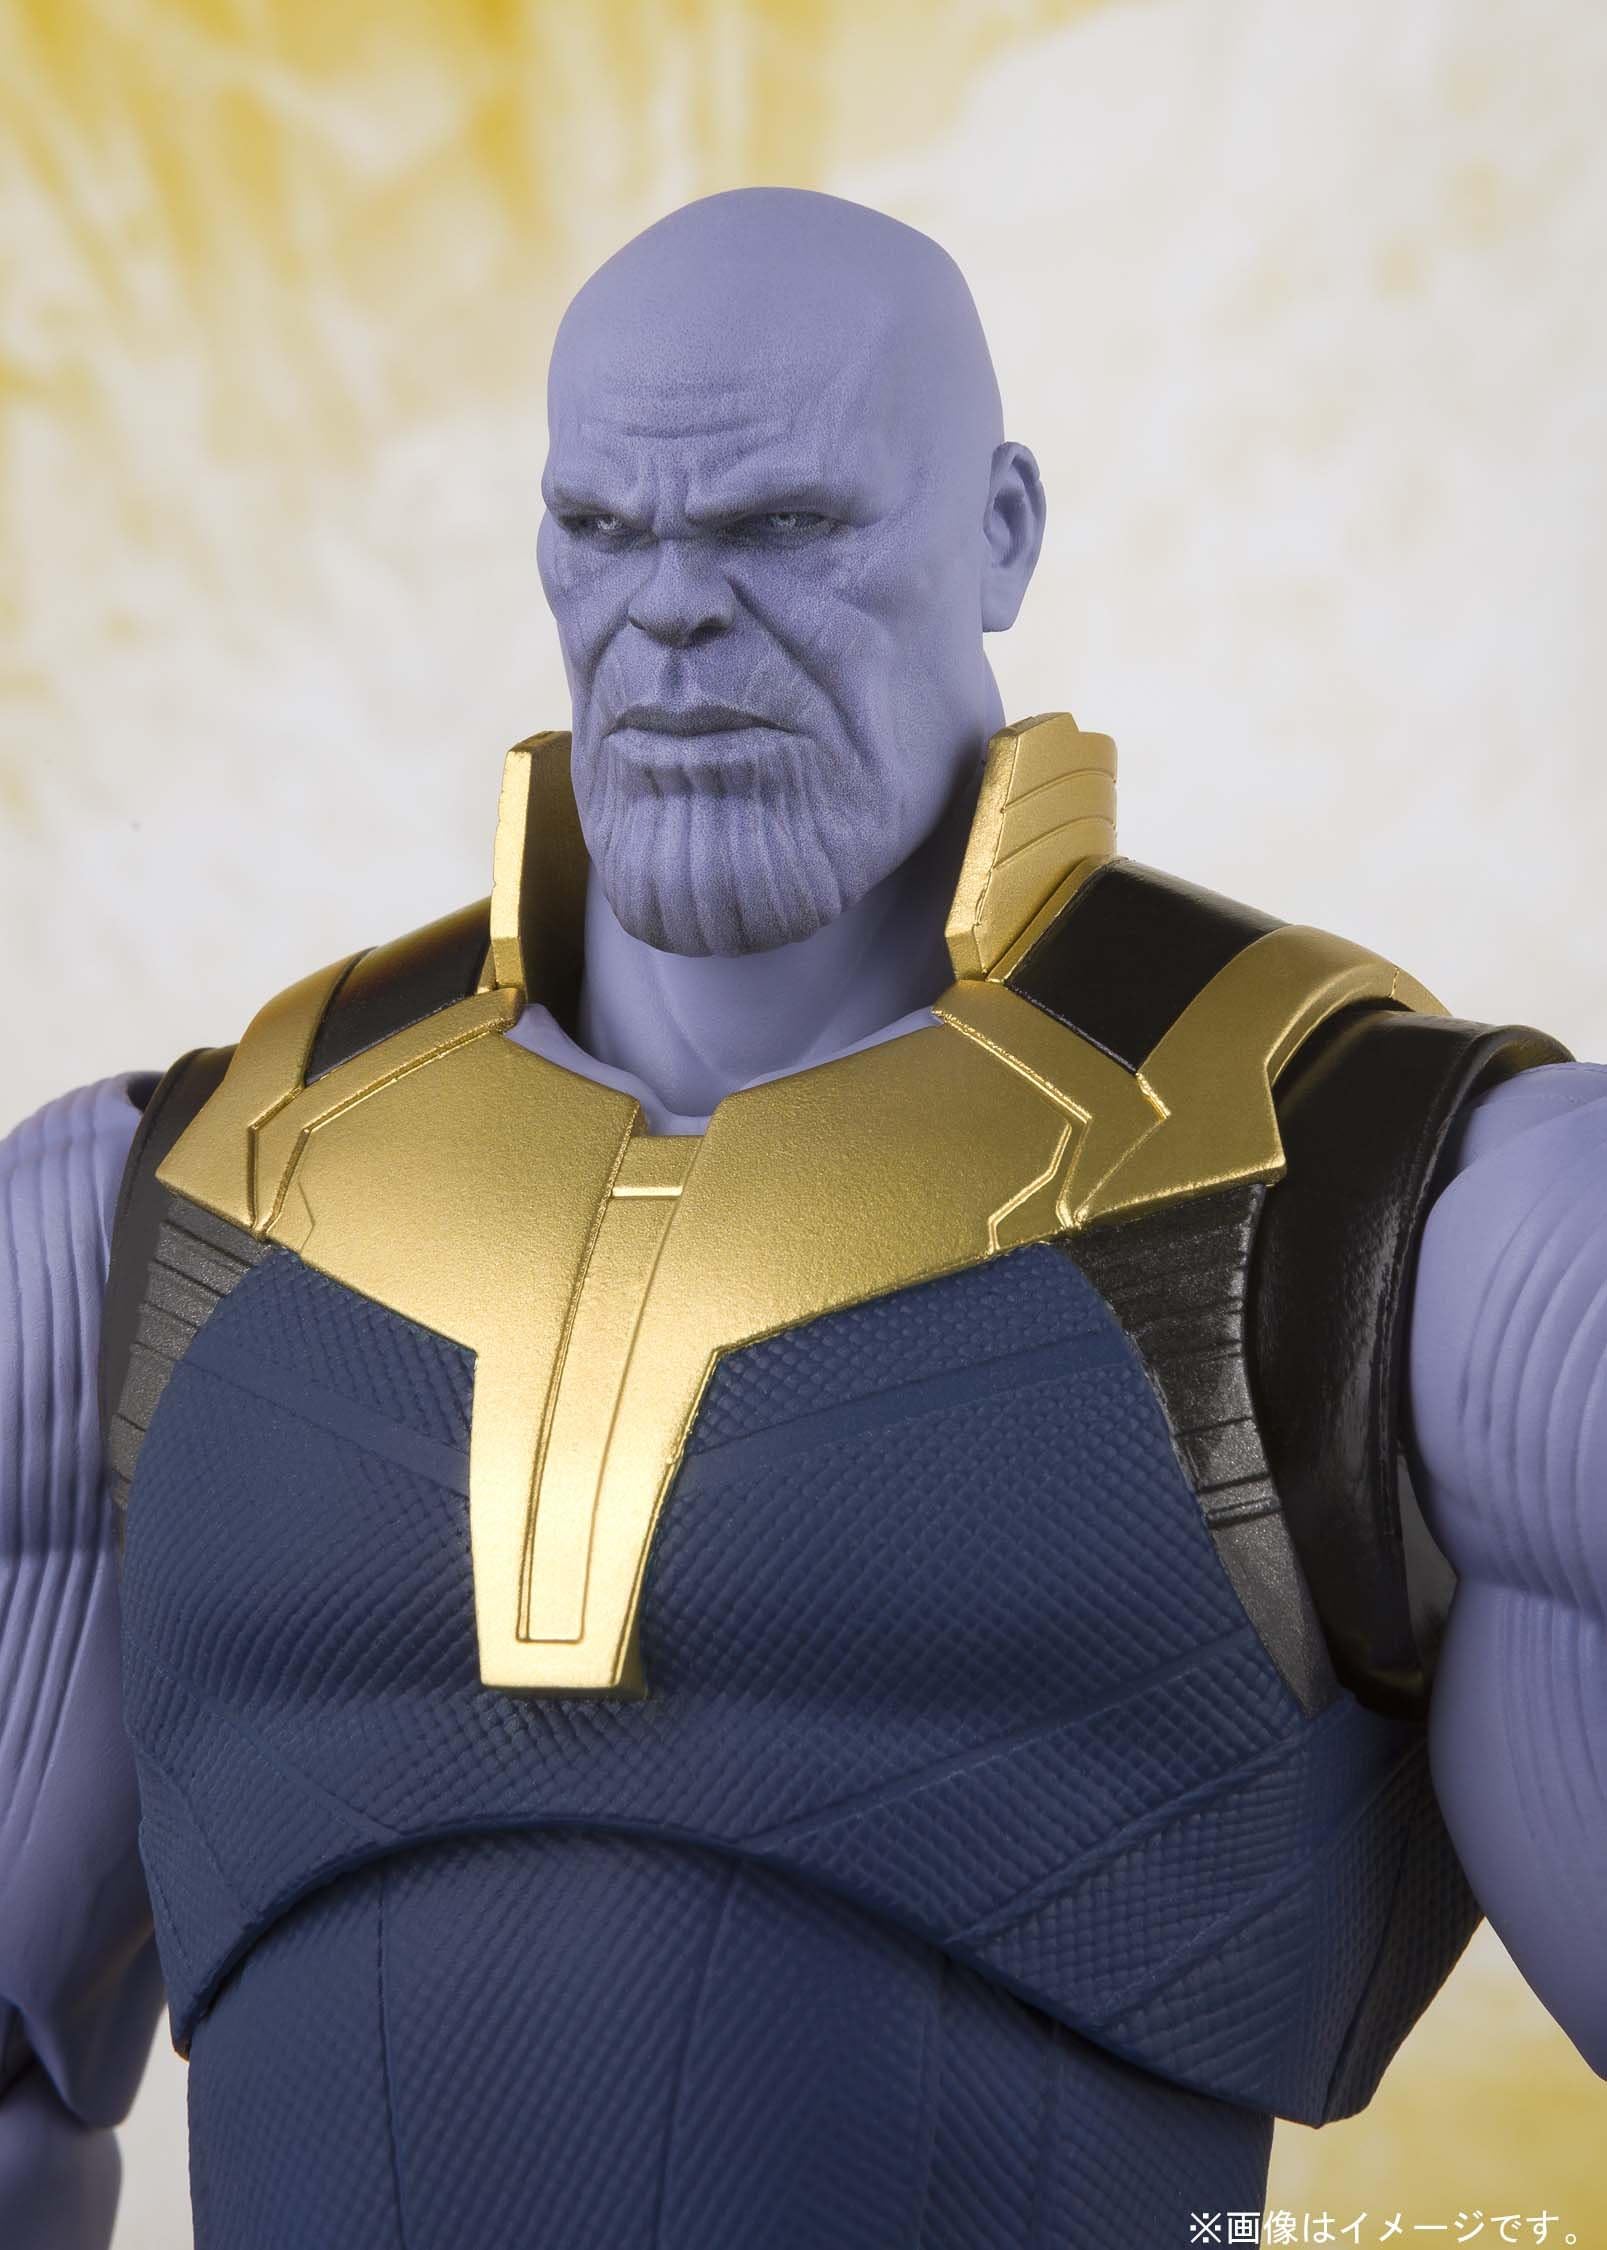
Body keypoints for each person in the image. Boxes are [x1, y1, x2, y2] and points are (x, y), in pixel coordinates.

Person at [3, 187, 1603, 2250]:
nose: (674, 611)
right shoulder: (171, 1211)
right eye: (603, 530)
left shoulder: (1398, 1226)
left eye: (782, 527)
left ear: (1001, 535)